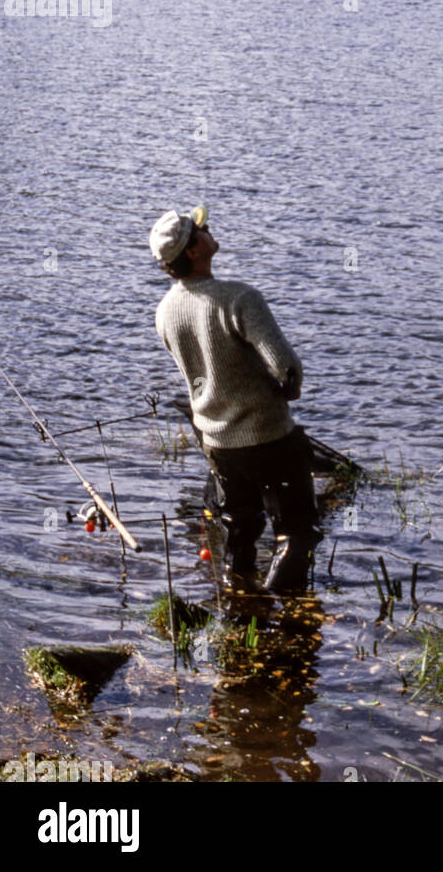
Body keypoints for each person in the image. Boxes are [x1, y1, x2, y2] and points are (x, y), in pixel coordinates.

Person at [148, 204, 322, 593]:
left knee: (240, 530)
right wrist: (288, 393)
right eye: (202, 229)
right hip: (268, 436)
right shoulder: (240, 298)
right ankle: (276, 611)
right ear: (193, 251)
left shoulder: (164, 311)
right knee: (298, 535)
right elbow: (287, 367)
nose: (208, 228)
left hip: (216, 441)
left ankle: (238, 607)